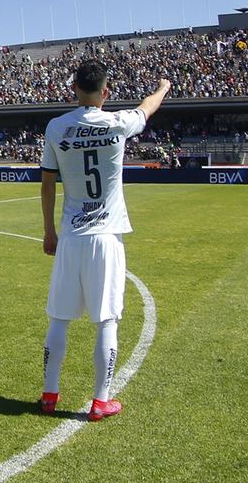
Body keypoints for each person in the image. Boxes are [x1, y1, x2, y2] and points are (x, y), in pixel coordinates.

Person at [39, 61, 171, 421]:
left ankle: (49, 394)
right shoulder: (118, 123)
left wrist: (49, 231)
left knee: (59, 320)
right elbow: (147, 107)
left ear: (74, 89)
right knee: (106, 321)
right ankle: (100, 400)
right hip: (106, 237)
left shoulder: (56, 127)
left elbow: (48, 183)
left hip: (71, 235)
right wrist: (163, 86)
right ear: (105, 92)